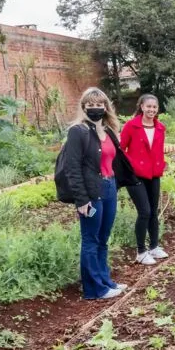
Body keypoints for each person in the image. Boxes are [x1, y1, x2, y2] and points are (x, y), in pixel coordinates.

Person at [64, 87, 137, 300]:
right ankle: (94, 288)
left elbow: (113, 161)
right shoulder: (78, 131)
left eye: (99, 104)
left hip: (109, 187)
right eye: (91, 105)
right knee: (91, 240)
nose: (95, 108)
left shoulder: (107, 130)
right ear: (84, 107)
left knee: (103, 239)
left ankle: (105, 280)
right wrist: (81, 199)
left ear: (105, 107)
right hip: (92, 192)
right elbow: (73, 168)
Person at [121, 93, 168, 265]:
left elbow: (158, 151)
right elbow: (121, 150)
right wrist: (130, 167)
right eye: (148, 106)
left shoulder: (160, 128)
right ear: (141, 106)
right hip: (135, 176)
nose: (151, 110)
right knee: (144, 212)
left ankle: (154, 247)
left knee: (154, 211)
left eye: (154, 107)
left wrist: (162, 164)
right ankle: (141, 251)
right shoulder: (131, 126)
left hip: (154, 174)